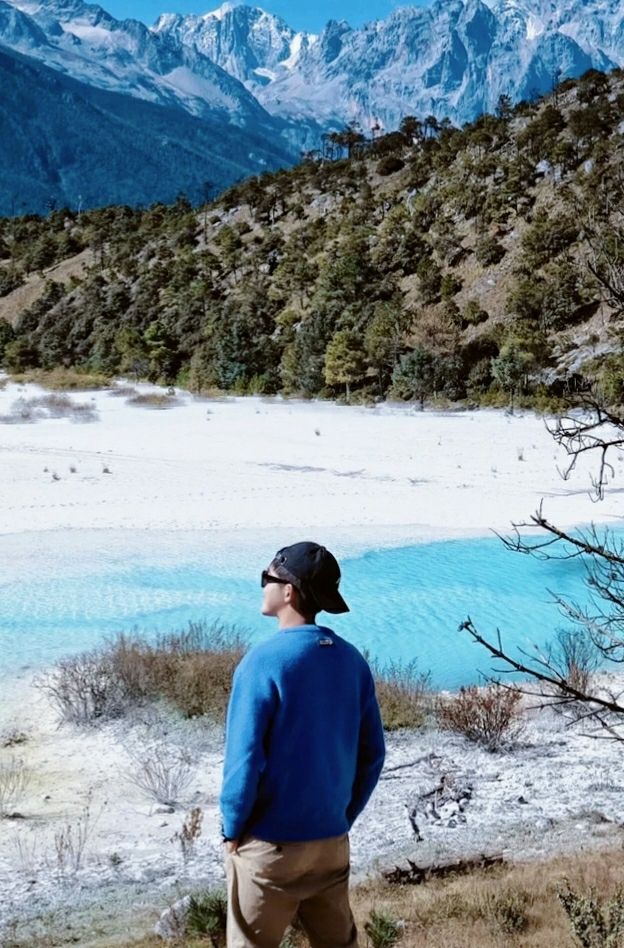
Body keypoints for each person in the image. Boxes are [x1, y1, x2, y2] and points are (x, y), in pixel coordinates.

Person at [220, 541, 386, 948]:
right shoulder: (351, 660)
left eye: (267, 579)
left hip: (270, 847)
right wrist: (341, 817)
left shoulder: (261, 663)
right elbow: (373, 754)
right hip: (330, 842)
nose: (263, 586)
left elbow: (244, 761)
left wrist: (232, 828)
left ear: (289, 591)